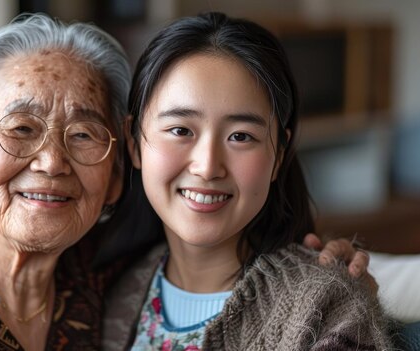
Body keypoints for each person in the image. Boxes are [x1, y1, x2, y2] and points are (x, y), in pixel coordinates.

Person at [0, 13, 373, 351]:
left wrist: (334, 277)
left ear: (117, 171)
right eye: (21, 128)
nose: (51, 161)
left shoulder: (93, 281)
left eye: (85, 135)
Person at [102, 12, 393, 350]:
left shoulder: (325, 305)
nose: (208, 167)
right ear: (134, 143)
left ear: (278, 157)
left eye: (240, 136)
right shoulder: (113, 292)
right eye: (181, 130)